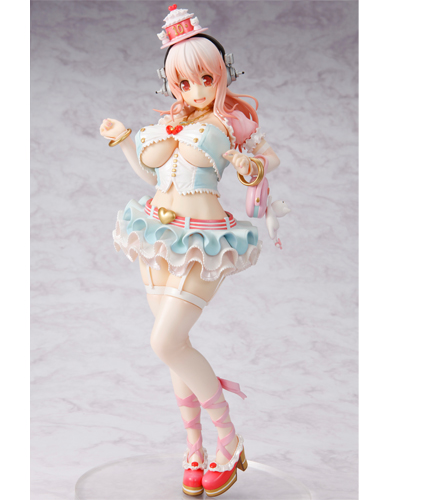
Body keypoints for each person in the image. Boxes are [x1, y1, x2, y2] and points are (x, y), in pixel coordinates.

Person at [99, 5, 280, 497]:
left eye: (206, 78)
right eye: (184, 82)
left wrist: (252, 169)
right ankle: (194, 448)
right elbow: (151, 173)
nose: (197, 90)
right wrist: (124, 141)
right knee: (175, 348)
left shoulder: (231, 122)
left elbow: (265, 159)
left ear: (221, 75)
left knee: (165, 342)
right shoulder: (170, 123)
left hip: (203, 239)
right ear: (171, 84)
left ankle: (229, 441)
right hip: (156, 235)